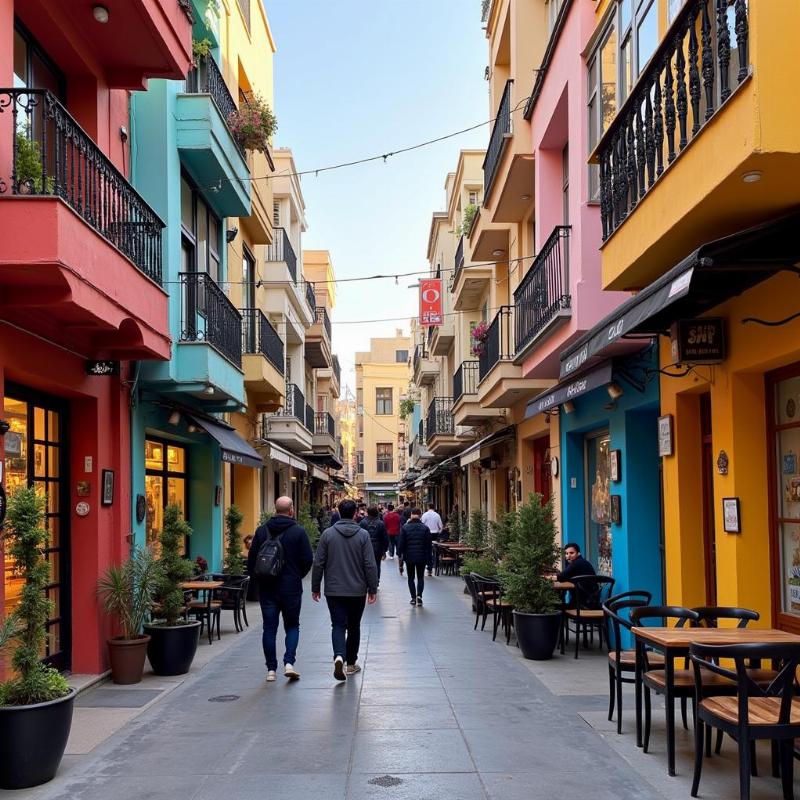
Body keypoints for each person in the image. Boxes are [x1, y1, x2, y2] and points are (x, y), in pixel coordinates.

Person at [247, 497, 313, 683]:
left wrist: (260, 580)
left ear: (275, 510)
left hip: (268, 588)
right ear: (291, 509)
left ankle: (271, 670)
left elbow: (251, 561)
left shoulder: (261, 531)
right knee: (292, 625)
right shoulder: (299, 532)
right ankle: (289, 663)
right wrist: (296, 575)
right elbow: (308, 560)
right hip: (291, 587)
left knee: (269, 628)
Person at [312, 499, 378, 681]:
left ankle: (339, 656)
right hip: (357, 589)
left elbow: (318, 563)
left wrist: (315, 586)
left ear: (339, 513)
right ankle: (350, 664)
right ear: (355, 513)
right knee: (354, 626)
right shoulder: (363, 535)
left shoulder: (327, 534)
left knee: (338, 625)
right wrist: (373, 588)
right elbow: (370, 564)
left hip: (333, 589)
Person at [397, 507, 432, 606]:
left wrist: (400, 555)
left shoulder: (405, 528)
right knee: (420, 577)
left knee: (411, 578)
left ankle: (413, 598)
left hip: (409, 557)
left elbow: (401, 544)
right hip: (422, 556)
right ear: (420, 515)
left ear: (411, 515)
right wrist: (429, 560)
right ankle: (419, 597)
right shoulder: (425, 528)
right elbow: (428, 545)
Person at [555, 542, 598, 607]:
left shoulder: (577, 563)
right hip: (590, 603)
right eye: (566, 553)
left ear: (578, 553)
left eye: (571, 553)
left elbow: (561, 577)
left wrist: (547, 577)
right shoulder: (581, 562)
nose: (568, 556)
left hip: (583, 605)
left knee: (556, 607)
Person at [361, 506, 389, 584]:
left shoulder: (363, 522)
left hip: (365, 547)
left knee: (365, 564)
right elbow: (385, 537)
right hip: (378, 547)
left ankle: (367, 580)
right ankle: (376, 580)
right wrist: (385, 550)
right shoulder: (380, 523)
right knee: (377, 564)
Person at [420, 502, 443, 575]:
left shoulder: (425, 515)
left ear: (428, 507)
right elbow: (441, 526)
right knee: (435, 551)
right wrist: (438, 532)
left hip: (426, 535)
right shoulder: (437, 515)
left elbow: (421, 524)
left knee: (427, 551)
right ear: (434, 507)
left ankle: (429, 568)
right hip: (435, 535)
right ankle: (435, 565)